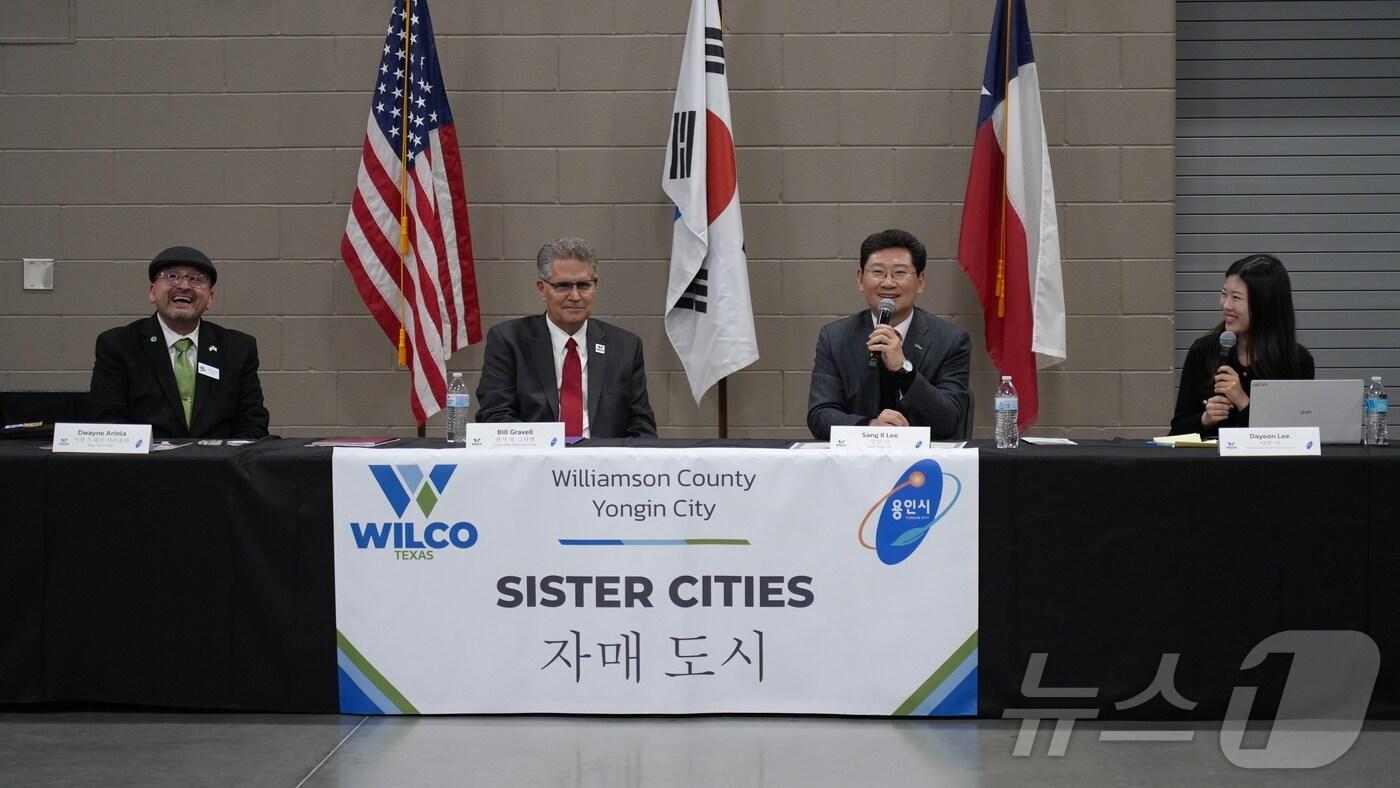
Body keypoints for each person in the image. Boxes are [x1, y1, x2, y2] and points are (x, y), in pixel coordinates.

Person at [476, 237, 657, 438]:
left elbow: (642, 428)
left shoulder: (625, 347)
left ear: (595, 286)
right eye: (562, 286)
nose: (575, 296)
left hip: (603, 464)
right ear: (542, 289)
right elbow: (495, 417)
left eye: (583, 285)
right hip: (536, 462)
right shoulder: (508, 340)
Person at [88, 246, 270, 439]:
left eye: (196, 279)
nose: (184, 286)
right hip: (146, 465)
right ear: (152, 292)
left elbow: (253, 423)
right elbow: (107, 423)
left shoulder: (238, 348)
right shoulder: (118, 345)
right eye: (171, 276)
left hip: (218, 465)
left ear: (210, 298)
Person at [807, 229, 972, 440]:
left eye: (900, 273)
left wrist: (904, 370)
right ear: (860, 279)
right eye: (877, 272)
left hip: (923, 463)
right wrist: (870, 427)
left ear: (920, 281)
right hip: (855, 463)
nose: (887, 283)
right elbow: (819, 415)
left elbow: (950, 420)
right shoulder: (834, 338)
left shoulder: (951, 340)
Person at [1170, 253, 1314, 436]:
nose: (1225, 305)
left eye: (1236, 298)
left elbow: (1296, 437)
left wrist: (1242, 401)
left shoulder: (1296, 361)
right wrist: (1204, 419)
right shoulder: (1203, 351)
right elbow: (1176, 431)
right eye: (1224, 294)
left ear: (1264, 304)